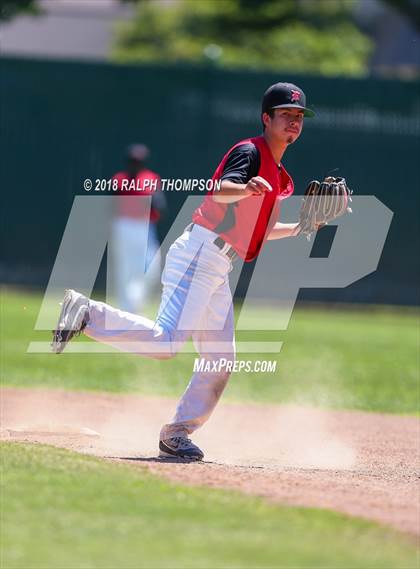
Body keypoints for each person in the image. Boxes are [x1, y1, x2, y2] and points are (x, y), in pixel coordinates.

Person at [51, 82, 315, 461]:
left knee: (221, 359)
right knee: (166, 343)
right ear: (266, 119)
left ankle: (176, 434)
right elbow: (220, 189)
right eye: (286, 114)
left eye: (299, 116)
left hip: (217, 264)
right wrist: (245, 187)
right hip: (200, 254)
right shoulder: (250, 153)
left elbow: (259, 230)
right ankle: (87, 313)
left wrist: (302, 228)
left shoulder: (276, 173)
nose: (294, 121)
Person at [112, 144, 166, 312]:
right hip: (124, 227)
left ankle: (136, 301)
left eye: (138, 161)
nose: (134, 165)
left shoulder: (150, 179)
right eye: (132, 161)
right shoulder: (119, 179)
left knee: (152, 267)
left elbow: (160, 206)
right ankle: (126, 310)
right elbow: (111, 206)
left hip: (144, 227)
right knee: (125, 270)